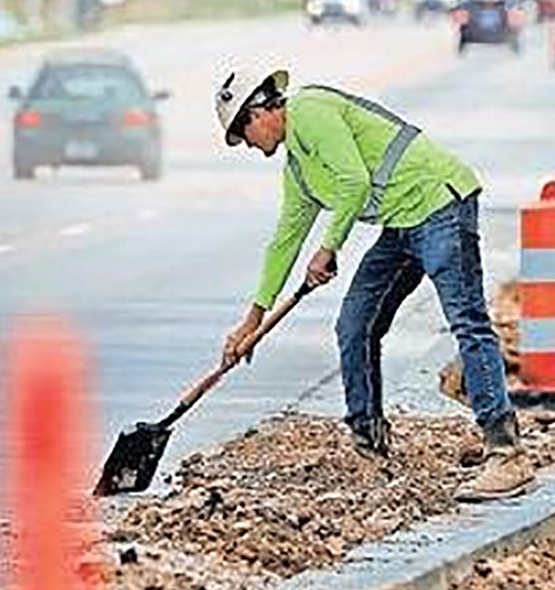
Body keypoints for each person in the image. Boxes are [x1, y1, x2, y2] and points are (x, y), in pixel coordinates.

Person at [213, 68, 534, 502]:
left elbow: (353, 181)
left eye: (243, 133)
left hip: (439, 204)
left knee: (467, 322)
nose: (248, 144)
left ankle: (507, 455)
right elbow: (285, 239)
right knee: (354, 325)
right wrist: (252, 320)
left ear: (260, 111)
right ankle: (369, 446)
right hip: (401, 225)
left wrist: (328, 248)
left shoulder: (308, 108)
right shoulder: (299, 170)